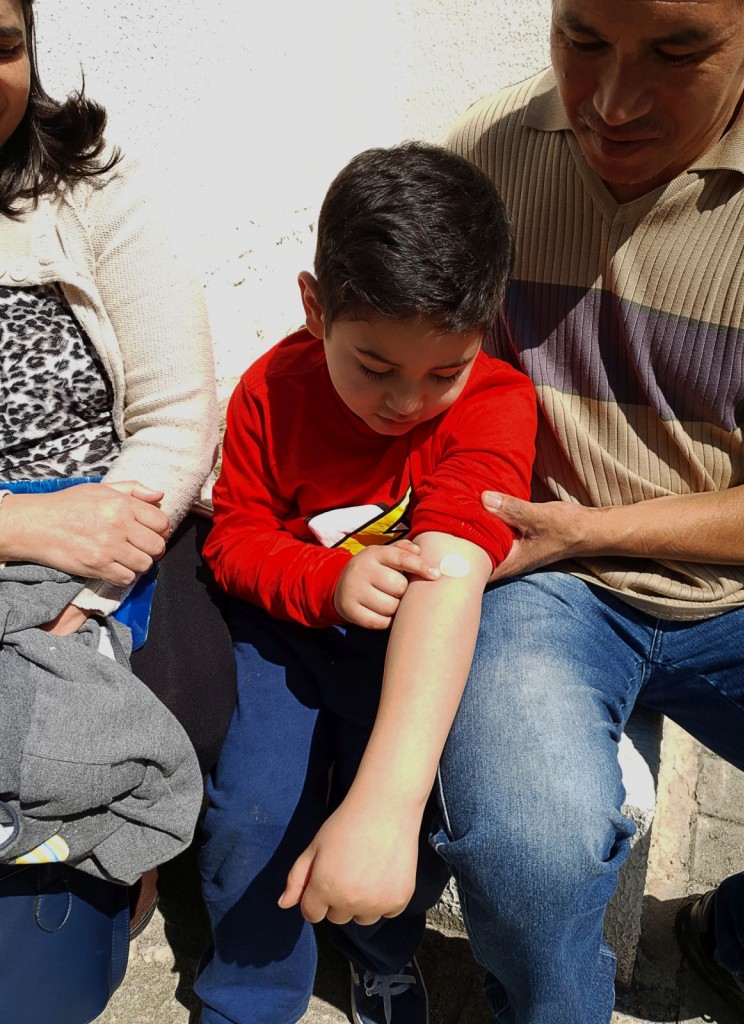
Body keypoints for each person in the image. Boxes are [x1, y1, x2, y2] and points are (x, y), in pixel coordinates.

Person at [433, 0, 744, 1021]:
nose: (612, 103)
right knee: (528, 848)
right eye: (581, 40)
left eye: (675, 52)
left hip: (737, 583)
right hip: (543, 583)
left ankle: (740, 935)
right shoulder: (485, 153)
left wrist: (593, 526)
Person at [195, 141, 537, 1024]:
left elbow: (461, 542)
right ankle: (248, 994)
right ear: (315, 309)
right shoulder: (271, 391)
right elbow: (233, 540)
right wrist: (328, 583)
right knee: (255, 815)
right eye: (375, 368)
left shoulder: (499, 402)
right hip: (287, 641)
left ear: (486, 330)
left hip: (409, 663)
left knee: (409, 830)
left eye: (442, 373)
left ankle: (381, 954)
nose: (406, 403)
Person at [0, 0, 234, 963]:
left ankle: (100, 862)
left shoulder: (88, 191)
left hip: (112, 526)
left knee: (190, 707)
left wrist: (91, 596)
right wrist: (16, 528)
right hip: (31, 535)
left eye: (4, 48)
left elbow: (178, 418)